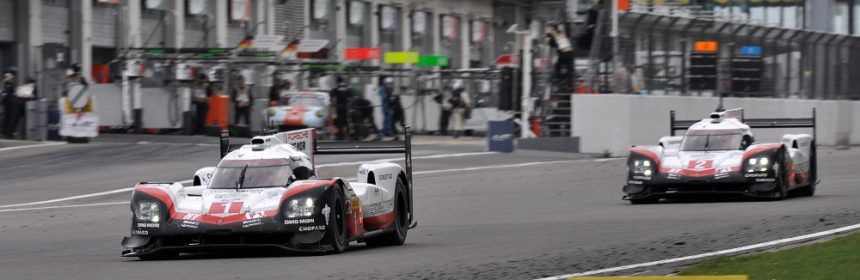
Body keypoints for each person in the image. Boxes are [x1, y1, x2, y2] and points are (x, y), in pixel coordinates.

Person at [546, 23, 574, 92]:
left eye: (549, 28)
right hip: (569, 53)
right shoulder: (560, 32)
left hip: (564, 53)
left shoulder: (554, 33)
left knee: (558, 66)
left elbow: (552, 44)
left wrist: (548, 36)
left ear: (552, 28)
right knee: (568, 69)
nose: (547, 30)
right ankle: (569, 84)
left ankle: (561, 78)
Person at [1, 71, 15, 138]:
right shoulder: (8, 83)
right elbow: (8, 93)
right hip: (8, 103)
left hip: (6, 102)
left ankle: (5, 131)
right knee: (8, 117)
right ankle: (6, 132)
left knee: (7, 117)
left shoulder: (4, 83)